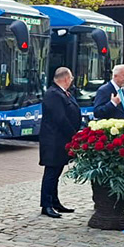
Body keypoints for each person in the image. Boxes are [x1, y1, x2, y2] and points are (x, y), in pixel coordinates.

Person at [39, 66, 82, 218]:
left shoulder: (63, 93)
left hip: (61, 140)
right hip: (54, 141)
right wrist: (74, 135)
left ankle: (55, 201)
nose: (71, 81)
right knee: (51, 173)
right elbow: (60, 118)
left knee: (56, 173)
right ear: (65, 78)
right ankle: (46, 204)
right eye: (71, 78)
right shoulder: (53, 94)